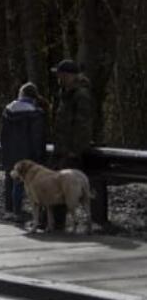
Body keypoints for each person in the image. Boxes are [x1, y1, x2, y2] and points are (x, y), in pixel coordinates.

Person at [50, 59, 94, 230]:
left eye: (60, 74)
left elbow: (83, 126)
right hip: (61, 148)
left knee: (65, 187)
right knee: (56, 185)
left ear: (67, 75)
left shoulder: (80, 95)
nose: (58, 77)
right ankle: (55, 222)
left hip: (70, 151)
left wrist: (74, 150)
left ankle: (58, 222)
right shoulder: (64, 94)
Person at [0, 82, 47, 223]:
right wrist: (40, 155)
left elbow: (3, 135)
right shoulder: (36, 113)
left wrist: (4, 150)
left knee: (10, 180)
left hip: (9, 151)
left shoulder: (8, 111)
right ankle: (20, 211)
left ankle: (10, 210)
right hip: (27, 152)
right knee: (22, 183)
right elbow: (37, 137)